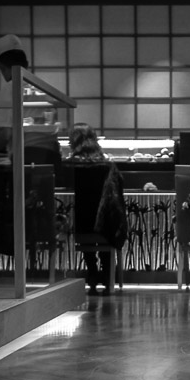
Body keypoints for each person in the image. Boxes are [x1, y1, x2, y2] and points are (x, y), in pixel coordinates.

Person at [66, 123, 127, 296]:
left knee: (83, 219)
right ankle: (108, 277)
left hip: (81, 225)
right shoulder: (107, 165)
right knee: (106, 220)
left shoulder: (71, 166)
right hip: (105, 225)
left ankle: (91, 272)